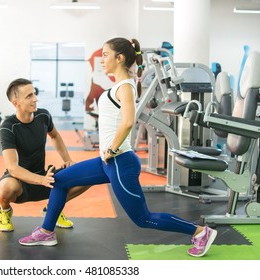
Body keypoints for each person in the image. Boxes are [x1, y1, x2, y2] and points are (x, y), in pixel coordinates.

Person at [18, 38, 218, 257]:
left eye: (105, 55)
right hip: (107, 162)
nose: (101, 60)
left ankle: (200, 232)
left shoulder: (125, 87)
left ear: (119, 58)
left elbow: (128, 122)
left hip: (120, 161)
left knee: (144, 218)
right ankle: (47, 231)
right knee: (60, 179)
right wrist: (108, 154)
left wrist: (112, 150)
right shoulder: (120, 85)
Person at [0, 78, 89, 232]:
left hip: (44, 177)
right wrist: (41, 180)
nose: (35, 99)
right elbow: (12, 168)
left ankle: (53, 208)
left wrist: (67, 160)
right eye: (29, 96)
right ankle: (5, 211)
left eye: (34, 94)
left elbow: (55, 136)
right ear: (16, 103)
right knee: (6, 187)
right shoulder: (8, 127)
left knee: (87, 175)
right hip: (21, 182)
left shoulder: (43, 116)